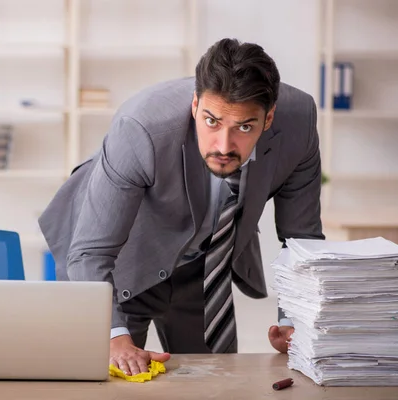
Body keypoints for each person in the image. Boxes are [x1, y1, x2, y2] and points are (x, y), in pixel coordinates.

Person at [38, 38, 325, 376]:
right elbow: (90, 253)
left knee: (217, 382)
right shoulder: (142, 128)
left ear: (269, 118)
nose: (224, 145)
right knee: (113, 380)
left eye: (244, 127)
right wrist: (113, 336)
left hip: (203, 266)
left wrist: (295, 321)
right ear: (194, 105)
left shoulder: (299, 122)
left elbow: (302, 239)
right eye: (212, 121)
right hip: (122, 259)